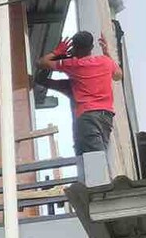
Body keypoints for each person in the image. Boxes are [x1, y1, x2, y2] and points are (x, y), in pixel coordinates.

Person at [39, 30, 122, 160]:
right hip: (106, 117)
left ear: (75, 48)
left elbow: (42, 63)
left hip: (87, 116)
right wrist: (107, 53)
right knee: (94, 157)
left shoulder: (74, 65)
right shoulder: (105, 62)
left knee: (94, 160)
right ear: (92, 47)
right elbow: (118, 75)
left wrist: (58, 52)